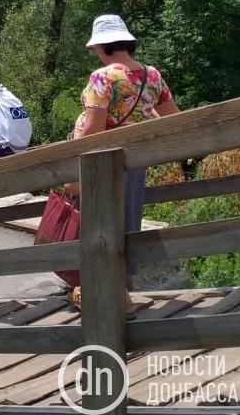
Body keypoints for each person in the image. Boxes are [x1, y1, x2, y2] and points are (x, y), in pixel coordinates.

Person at [69, 14, 179, 277]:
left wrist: (72, 170)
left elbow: (93, 131)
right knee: (128, 223)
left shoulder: (102, 77)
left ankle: (110, 295)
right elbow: (174, 120)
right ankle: (124, 289)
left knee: (100, 226)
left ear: (101, 46)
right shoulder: (152, 75)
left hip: (102, 163)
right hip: (135, 161)